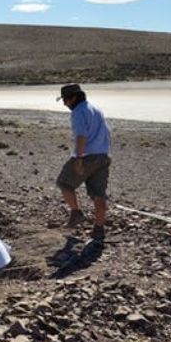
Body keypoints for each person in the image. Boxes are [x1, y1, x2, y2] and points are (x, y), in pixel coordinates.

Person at [55, 83, 111, 241]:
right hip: (103, 155)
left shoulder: (79, 112)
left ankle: (76, 213)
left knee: (64, 183)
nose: (65, 104)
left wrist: (79, 159)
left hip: (87, 155)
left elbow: (81, 136)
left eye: (66, 100)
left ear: (73, 98)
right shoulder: (95, 109)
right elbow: (107, 132)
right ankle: (99, 229)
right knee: (99, 194)